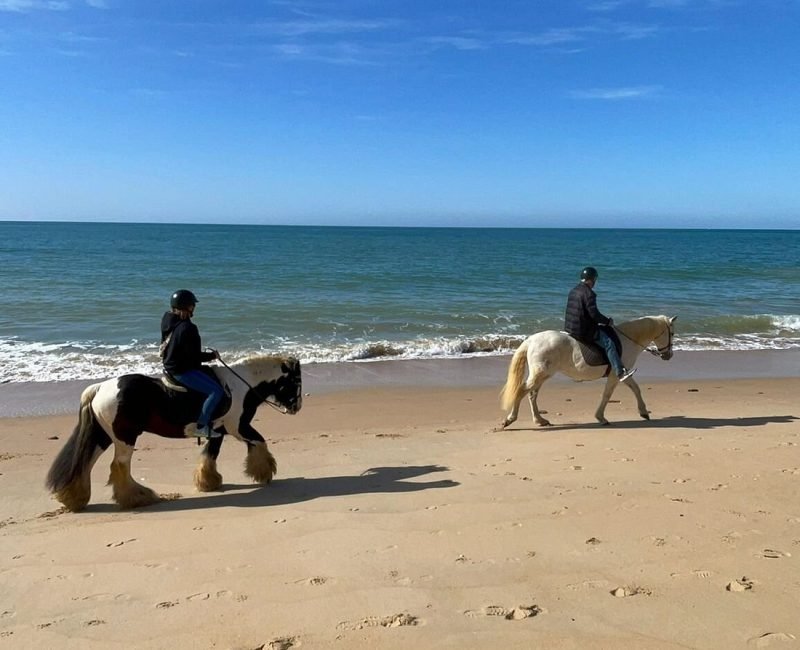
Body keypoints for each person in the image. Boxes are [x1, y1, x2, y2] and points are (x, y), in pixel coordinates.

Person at [160, 289, 224, 438]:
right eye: (192, 305)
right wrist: (212, 356)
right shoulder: (188, 328)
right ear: (186, 307)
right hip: (181, 370)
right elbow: (194, 358)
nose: (194, 308)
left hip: (170, 365)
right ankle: (201, 426)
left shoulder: (168, 320)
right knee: (216, 391)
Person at [564, 267, 636, 383]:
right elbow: (594, 315)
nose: (594, 283)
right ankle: (620, 372)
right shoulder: (589, 293)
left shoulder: (574, 290)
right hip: (583, 330)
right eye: (595, 280)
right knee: (609, 343)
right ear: (592, 280)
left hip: (570, 328)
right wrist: (608, 321)